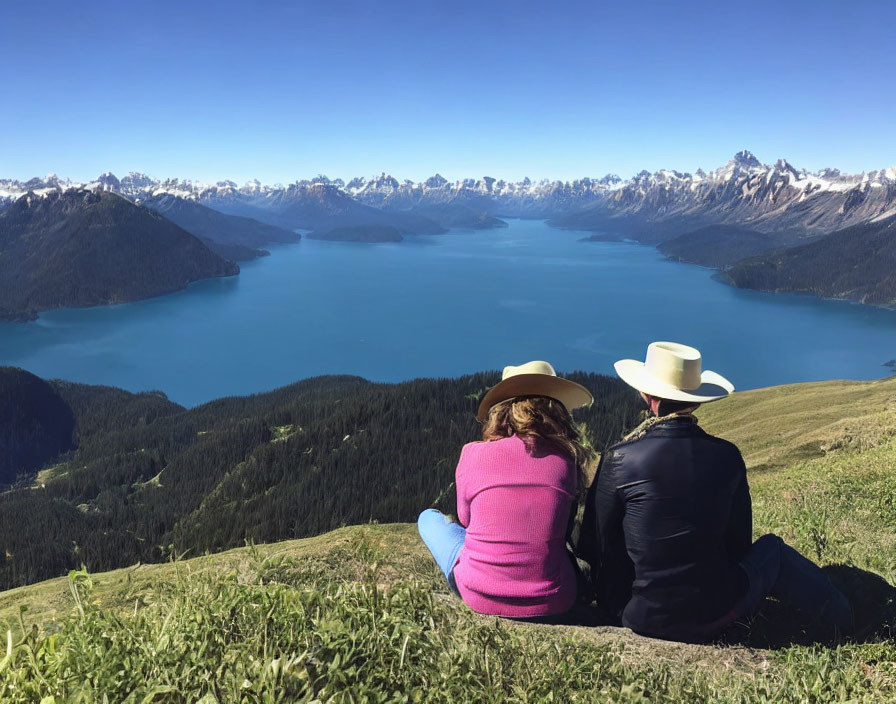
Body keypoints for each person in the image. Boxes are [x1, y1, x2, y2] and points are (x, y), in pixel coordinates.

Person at [576, 341, 853, 643]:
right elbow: (738, 545)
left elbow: (594, 545)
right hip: (719, 613)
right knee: (772, 549)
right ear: (696, 401)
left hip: (638, 616)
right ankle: (845, 618)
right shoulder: (727, 456)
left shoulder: (619, 458)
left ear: (647, 395)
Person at [417, 361, 594, 621]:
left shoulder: (473, 453)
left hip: (477, 591)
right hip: (553, 599)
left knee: (429, 517)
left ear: (501, 412)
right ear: (556, 411)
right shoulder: (566, 460)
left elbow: (466, 521)